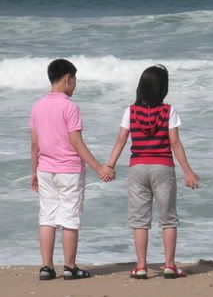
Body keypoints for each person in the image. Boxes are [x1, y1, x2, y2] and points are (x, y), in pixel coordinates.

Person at [107, 65, 199, 280]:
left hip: (137, 168)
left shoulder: (131, 111)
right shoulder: (168, 111)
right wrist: (188, 171)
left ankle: (141, 266)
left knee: (140, 221)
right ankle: (169, 265)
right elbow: (175, 143)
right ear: (162, 88)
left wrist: (109, 166)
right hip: (163, 168)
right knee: (168, 219)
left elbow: (121, 140)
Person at [30, 59, 115, 281]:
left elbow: (35, 144)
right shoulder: (70, 107)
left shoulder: (38, 106)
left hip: (45, 169)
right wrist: (99, 168)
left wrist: (34, 171)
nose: (75, 85)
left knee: (47, 217)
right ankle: (70, 266)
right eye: (75, 80)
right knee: (70, 217)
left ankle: (47, 267)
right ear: (67, 78)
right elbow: (76, 142)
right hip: (69, 169)